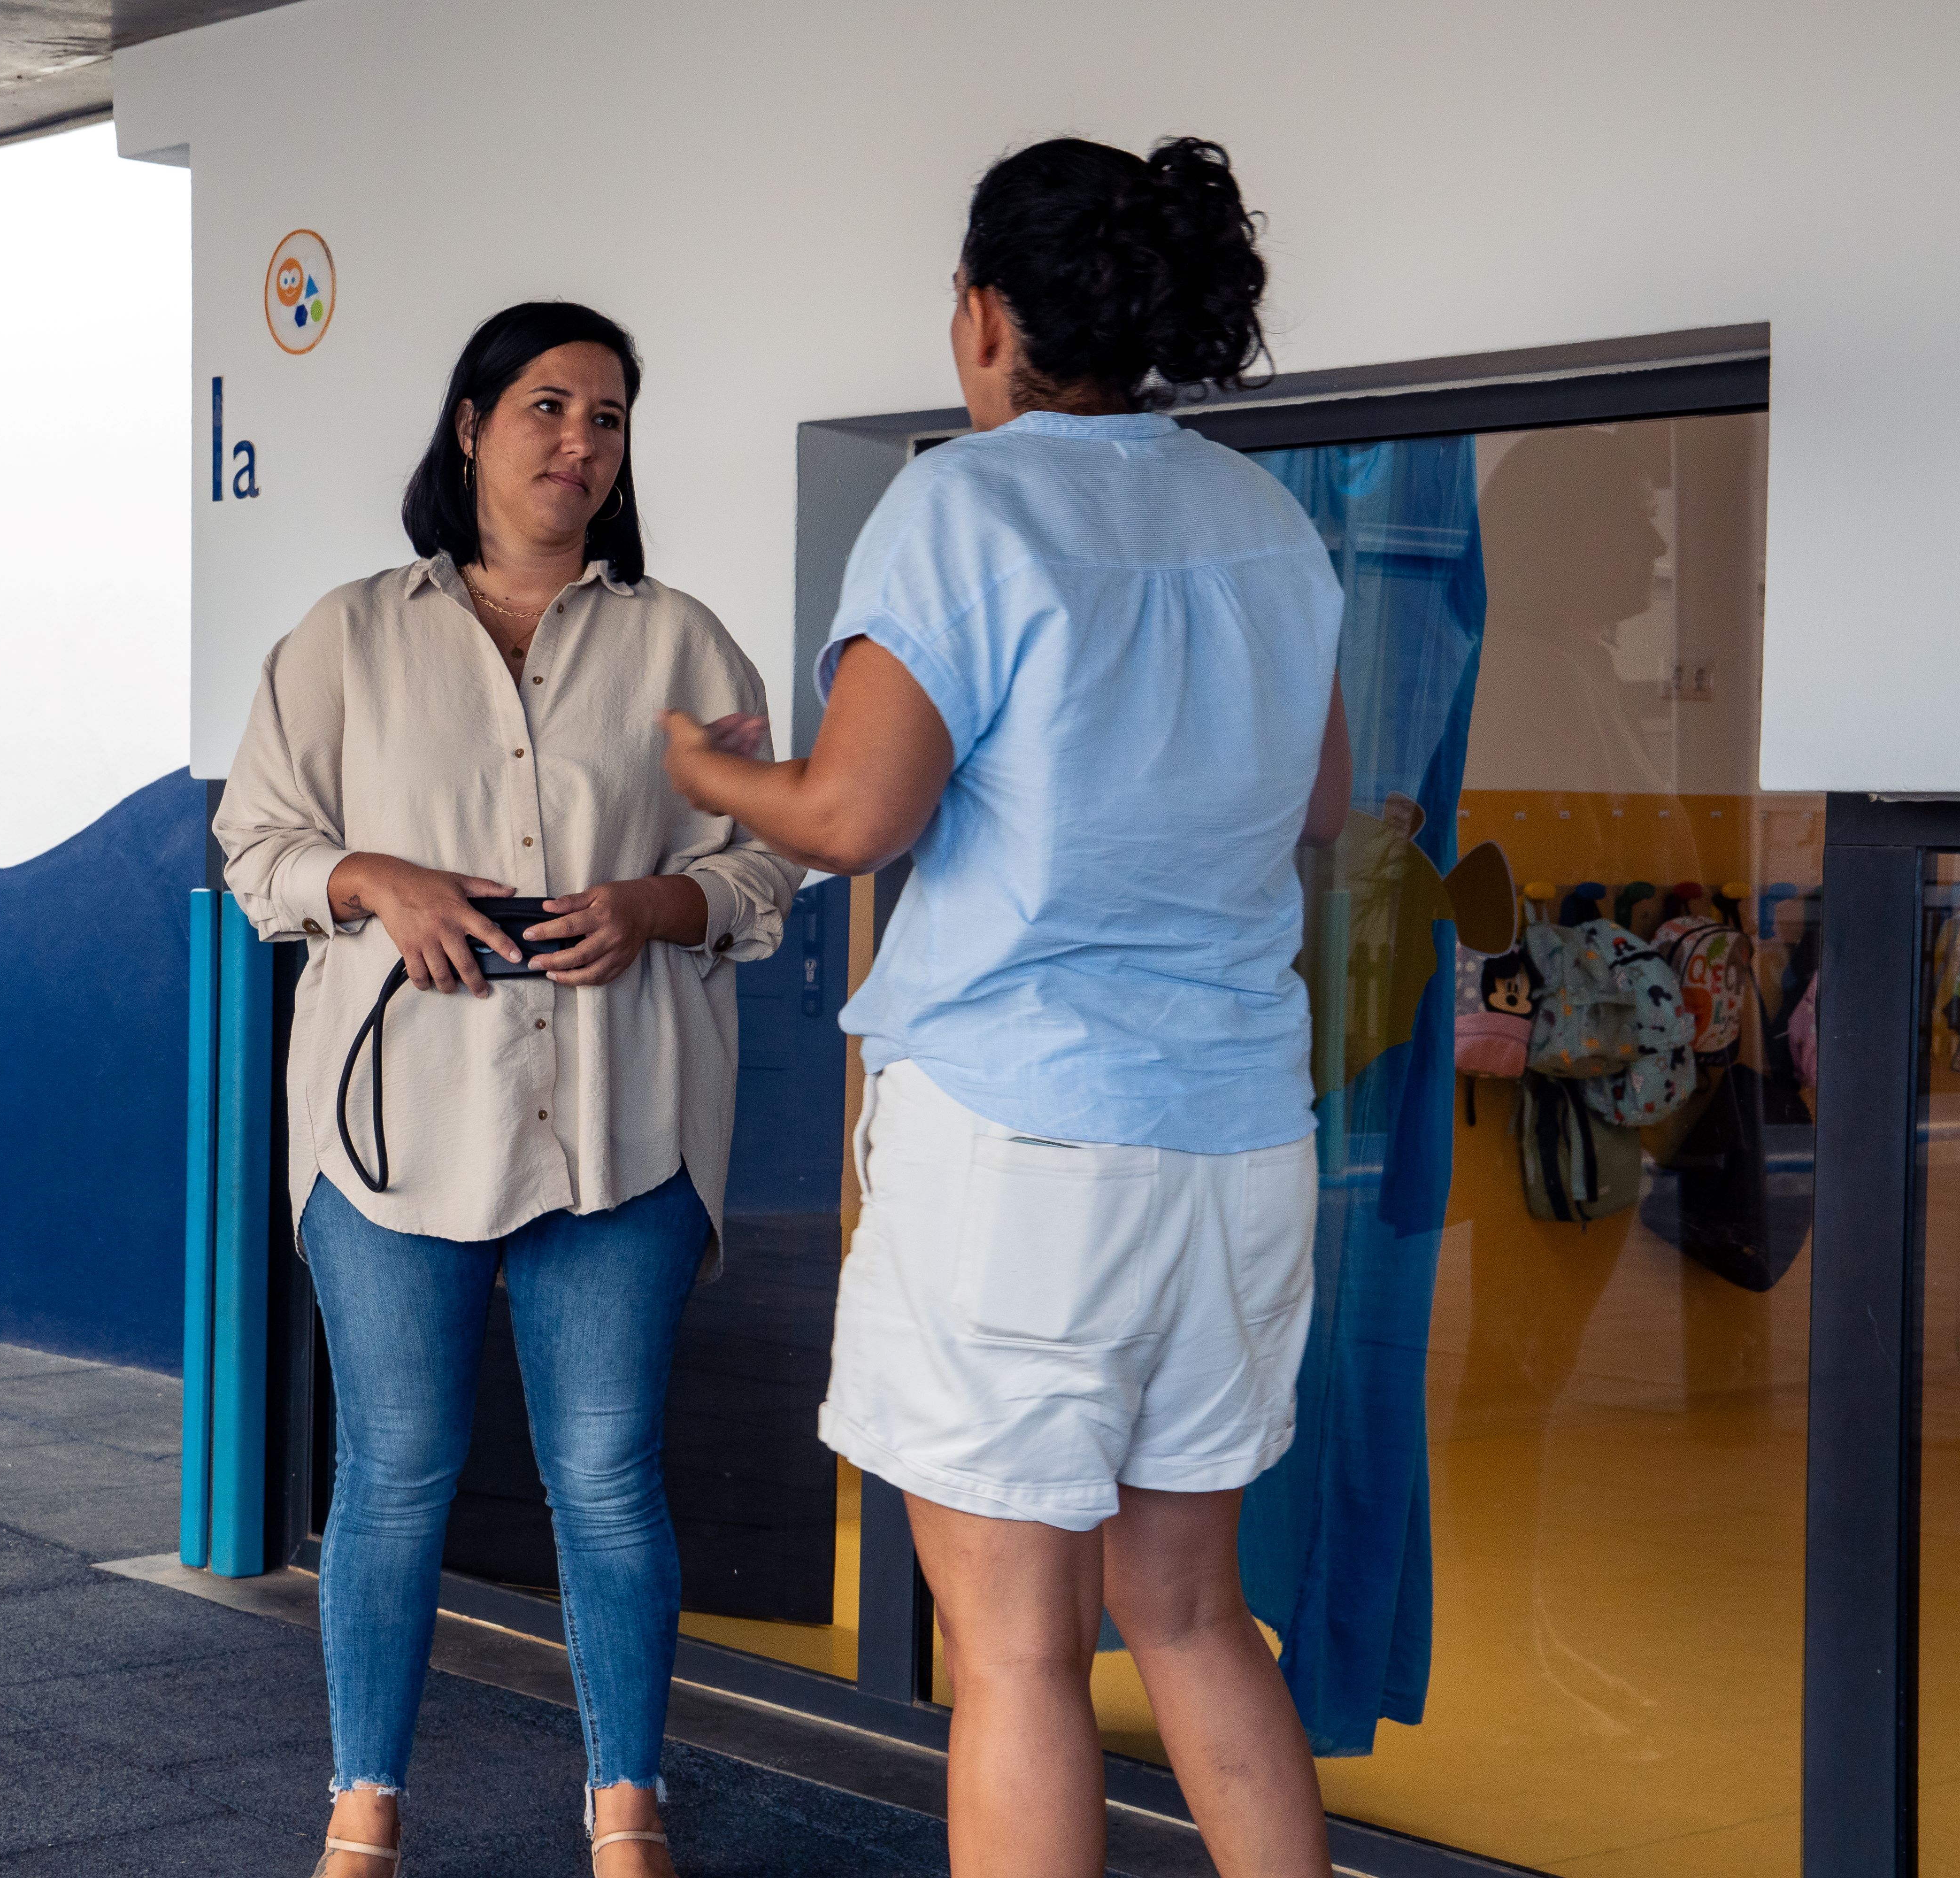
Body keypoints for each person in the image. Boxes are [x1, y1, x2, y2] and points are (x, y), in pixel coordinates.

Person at [660, 139, 1350, 1878]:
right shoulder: (1263, 520)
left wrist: (712, 775)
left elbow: (857, 819)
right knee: (1193, 1616)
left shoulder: (965, 507)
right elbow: (1322, 804)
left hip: (1026, 1146)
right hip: (1241, 1136)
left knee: (1019, 1653)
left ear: (985, 316)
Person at [216, 300, 799, 1878]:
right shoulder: (345, 636)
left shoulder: (688, 646)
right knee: (393, 1473)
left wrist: (657, 907)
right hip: (392, 1136)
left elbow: (761, 866)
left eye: (608, 419)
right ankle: (364, 1807)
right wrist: (373, 879)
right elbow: (255, 852)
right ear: (470, 425)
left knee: (607, 1478)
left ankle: (627, 1808)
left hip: (622, 1128)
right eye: (547, 408)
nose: (580, 444)